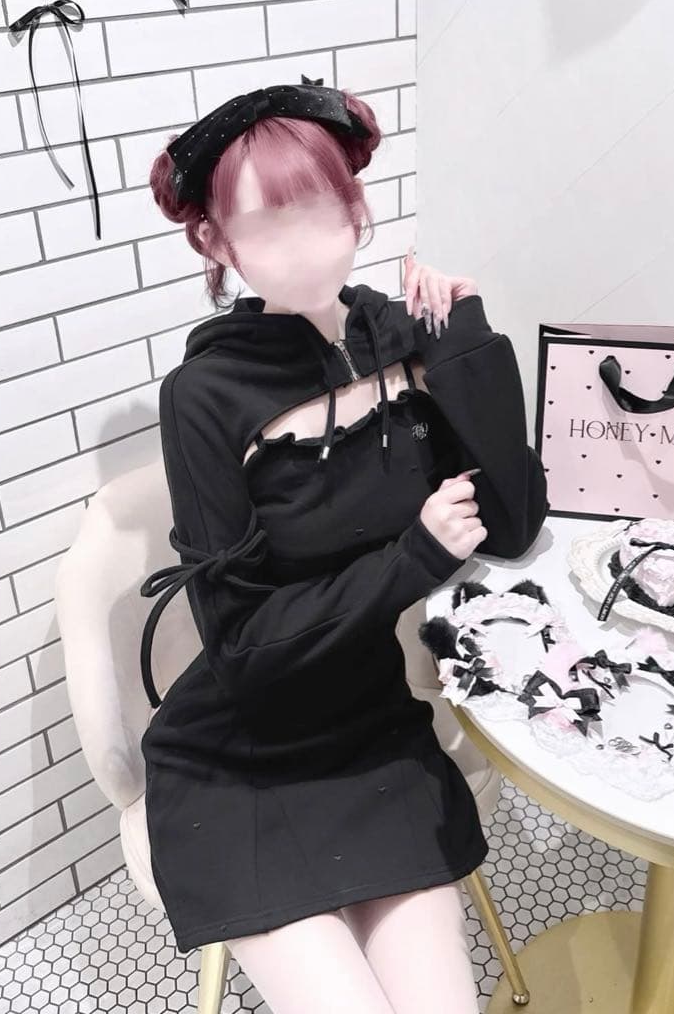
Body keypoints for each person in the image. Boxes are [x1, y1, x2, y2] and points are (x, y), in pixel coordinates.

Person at [139, 82, 549, 1014]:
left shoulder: (394, 336)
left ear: (354, 206)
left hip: (371, 728)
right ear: (216, 243)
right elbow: (240, 645)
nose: (306, 246)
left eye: (322, 210)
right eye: (266, 224)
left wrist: (467, 343)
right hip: (243, 747)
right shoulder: (204, 396)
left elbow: (514, 523)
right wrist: (412, 558)